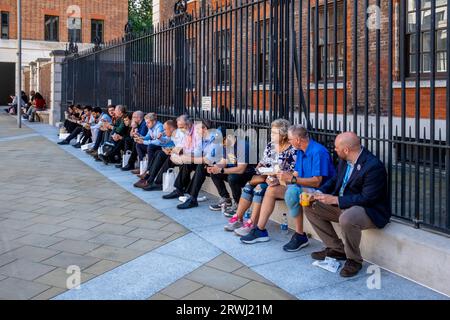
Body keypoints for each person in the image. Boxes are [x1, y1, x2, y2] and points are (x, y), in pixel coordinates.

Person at [304, 132, 391, 278]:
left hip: (368, 210)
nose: (335, 150)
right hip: (343, 205)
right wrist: (316, 193)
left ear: (346, 150)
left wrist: (335, 200)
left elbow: (367, 198)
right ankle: (337, 249)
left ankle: (354, 260)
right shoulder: (345, 160)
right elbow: (334, 180)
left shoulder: (373, 166)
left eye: (337, 147)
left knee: (347, 218)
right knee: (310, 206)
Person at [240, 124, 335, 248]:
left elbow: (317, 182)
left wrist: (292, 179)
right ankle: (260, 230)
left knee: (292, 193)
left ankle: (300, 235)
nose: (288, 141)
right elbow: (296, 173)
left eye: (290, 139)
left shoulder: (318, 151)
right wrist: (279, 180)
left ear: (297, 140)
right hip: (303, 186)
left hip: (320, 190)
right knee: (271, 190)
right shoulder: (302, 150)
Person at [224, 119, 296, 236]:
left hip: (280, 182)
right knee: (248, 186)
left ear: (283, 135)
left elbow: (291, 171)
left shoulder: (292, 150)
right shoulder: (270, 146)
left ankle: (251, 223)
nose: (271, 135)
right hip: (266, 178)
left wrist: (275, 177)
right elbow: (261, 164)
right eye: (271, 132)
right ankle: (238, 218)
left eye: (274, 133)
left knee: (259, 188)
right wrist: (260, 168)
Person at [208, 128, 255, 213]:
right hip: (235, 171)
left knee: (232, 178)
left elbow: (241, 169)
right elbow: (224, 162)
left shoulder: (243, 146)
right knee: (214, 173)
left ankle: (238, 204)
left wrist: (221, 170)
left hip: (247, 173)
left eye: (221, 141)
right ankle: (226, 199)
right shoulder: (227, 145)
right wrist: (215, 167)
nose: (221, 144)